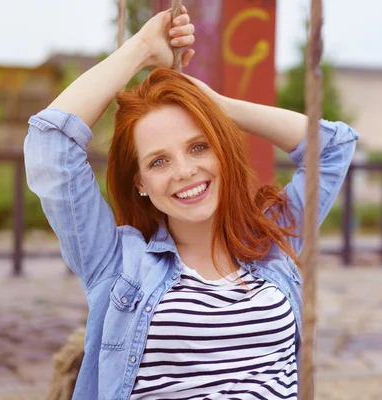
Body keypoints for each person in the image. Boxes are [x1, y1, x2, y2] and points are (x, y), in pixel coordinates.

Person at [25, 6, 358, 400]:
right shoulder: (117, 263)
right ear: (141, 183)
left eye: (199, 147)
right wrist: (142, 48)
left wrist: (216, 105)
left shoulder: (275, 240)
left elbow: (333, 148)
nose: (184, 171)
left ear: (221, 151)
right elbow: (52, 145)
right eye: (159, 161)